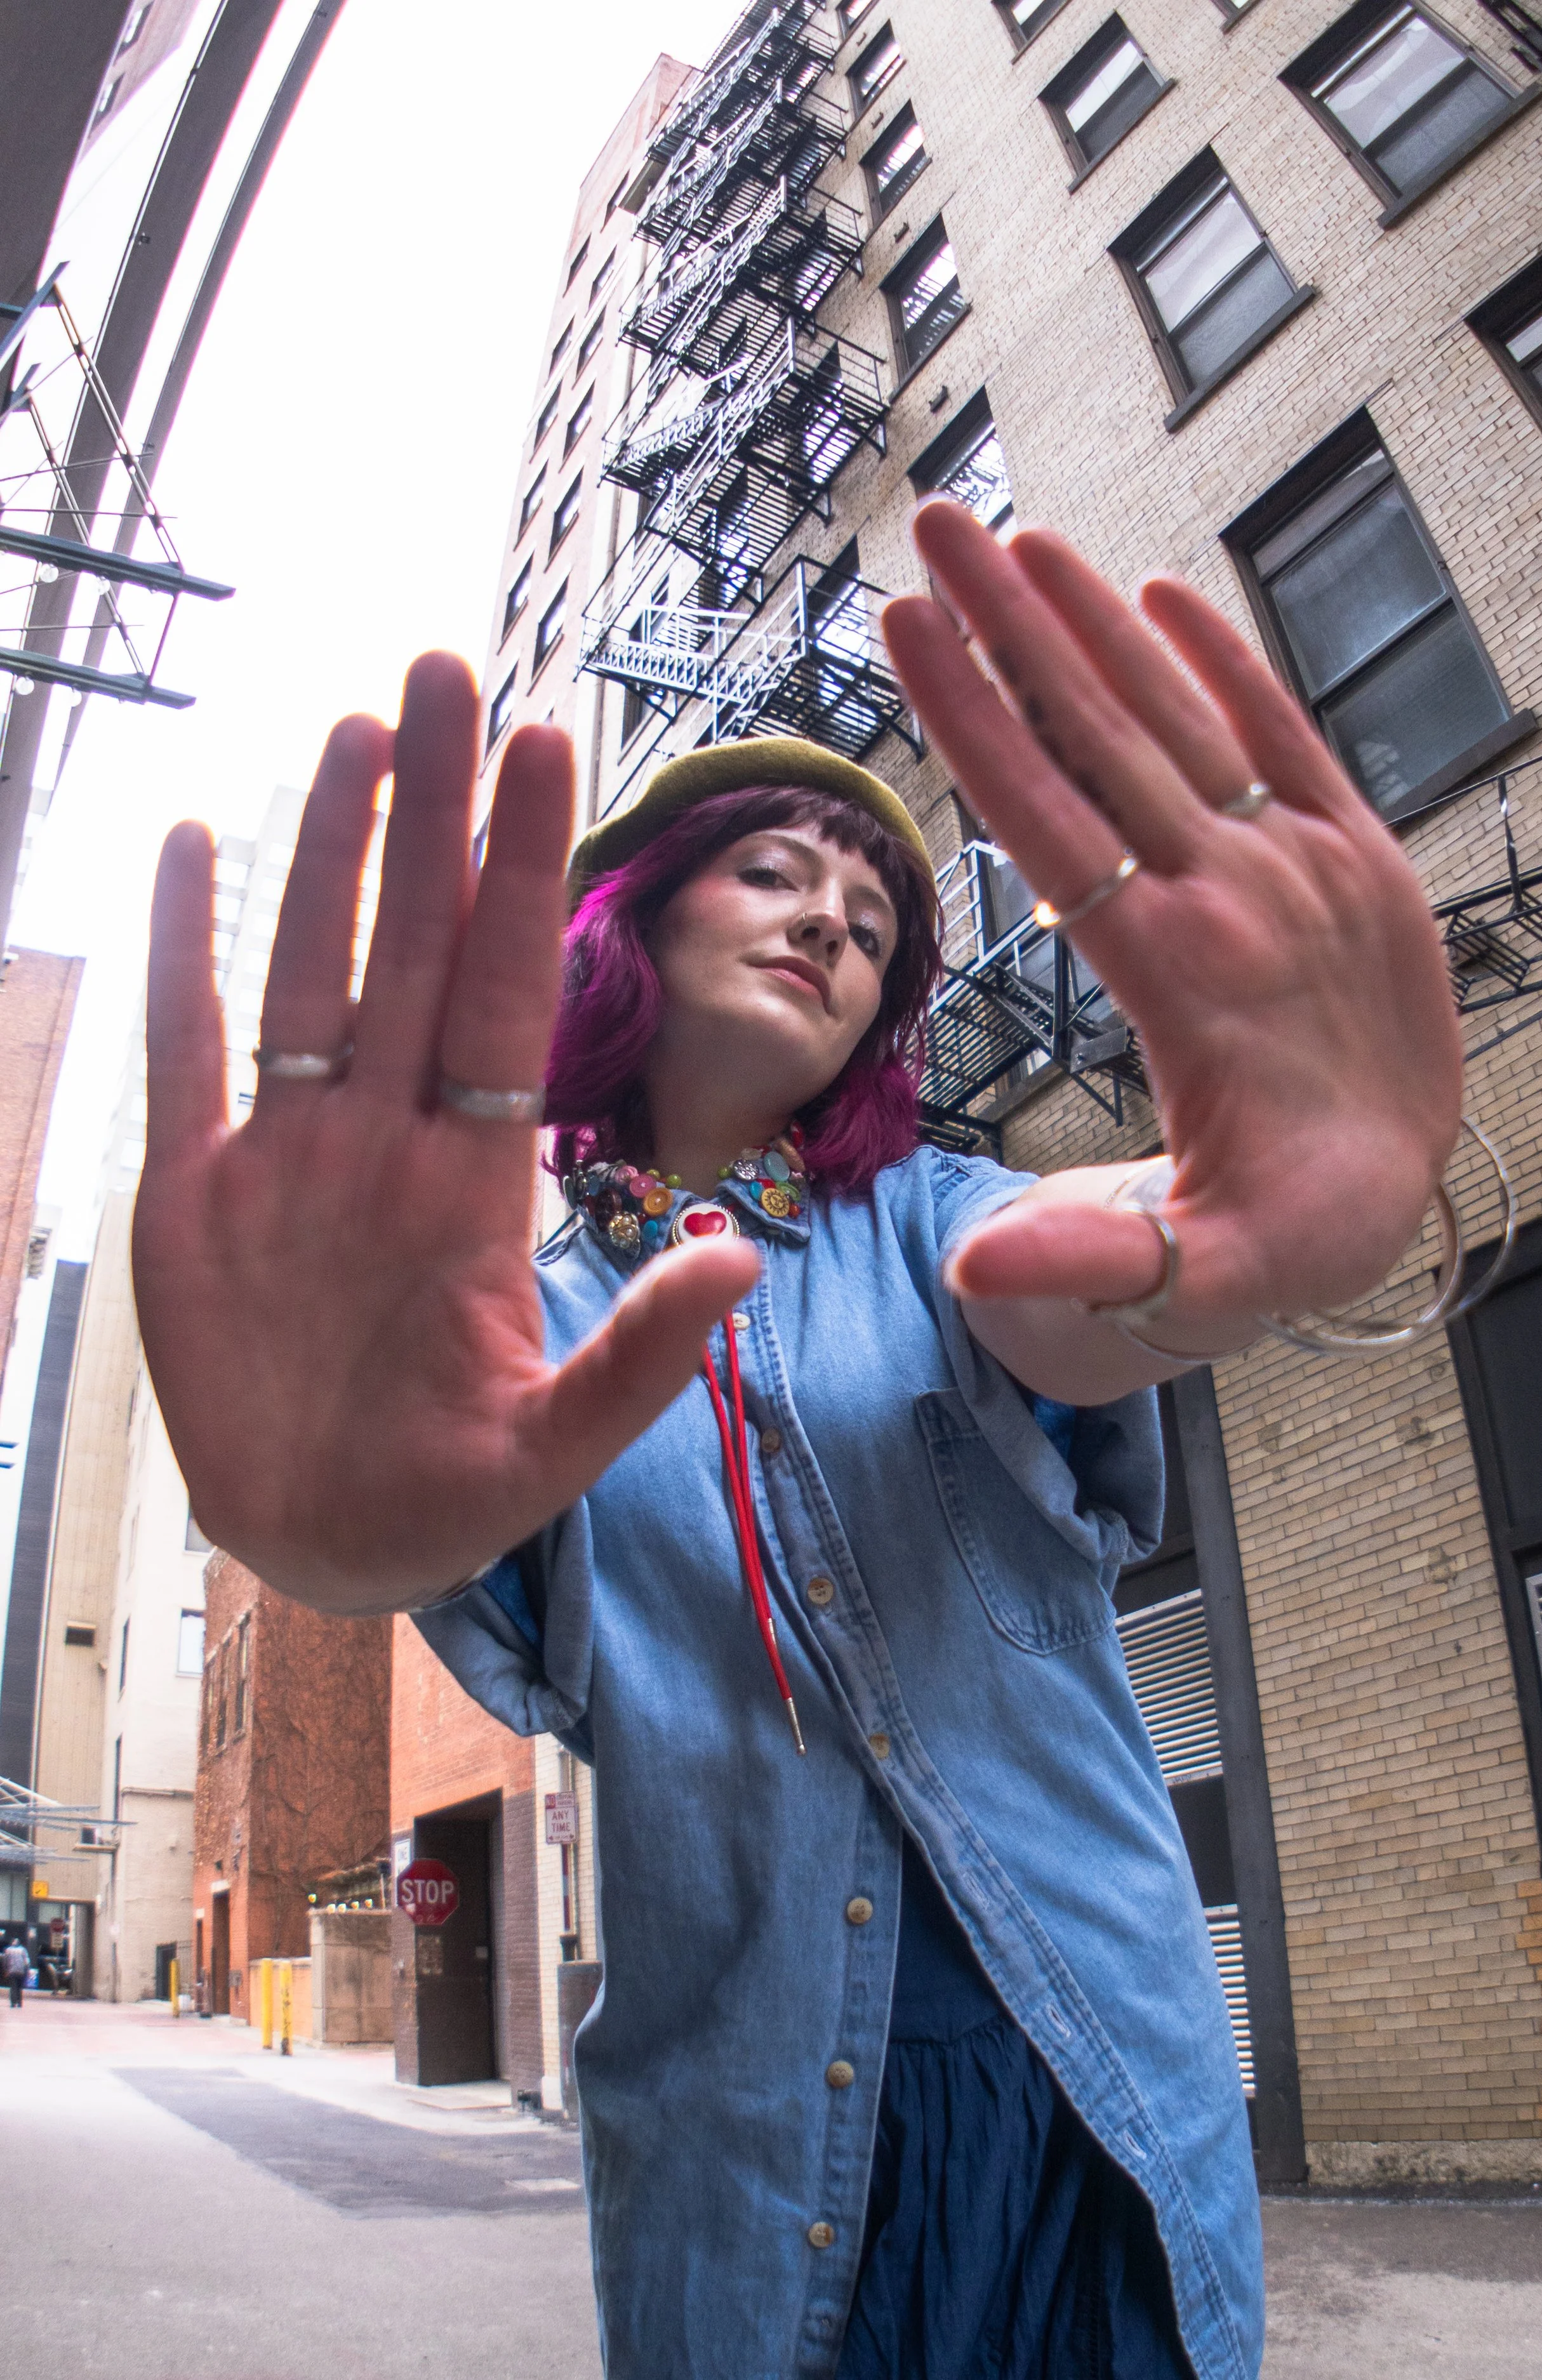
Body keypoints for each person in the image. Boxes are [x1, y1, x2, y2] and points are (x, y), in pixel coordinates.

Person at [132, 503, 1463, 2379]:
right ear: (634, 916)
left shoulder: (941, 1220)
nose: (837, 915)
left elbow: (1088, 1300)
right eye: (775, 868)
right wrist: (332, 1546)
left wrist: (1250, 1245)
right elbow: (431, 1530)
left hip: (1084, 2092)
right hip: (749, 2174)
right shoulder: (501, 1318)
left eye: (871, 912)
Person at [3, 1936, 30, 2009]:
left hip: (11, 1971)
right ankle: (19, 2003)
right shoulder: (23, 1950)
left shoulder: (8, 1950)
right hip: (21, 1971)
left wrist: (6, 1970)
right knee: (19, 1987)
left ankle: (13, 2003)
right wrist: (27, 1970)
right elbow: (27, 1962)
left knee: (13, 1987)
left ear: (12, 1943)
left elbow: (5, 1961)